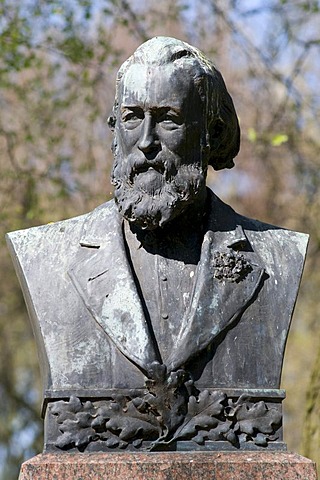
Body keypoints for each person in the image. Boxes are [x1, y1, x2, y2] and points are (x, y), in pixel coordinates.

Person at [6, 37, 308, 450]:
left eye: (168, 119)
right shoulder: (44, 254)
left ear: (211, 133)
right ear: (115, 132)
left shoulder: (277, 256)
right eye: (132, 118)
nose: (146, 141)